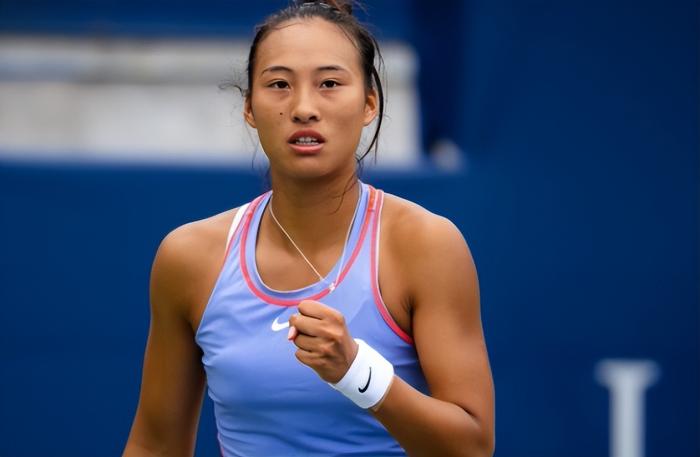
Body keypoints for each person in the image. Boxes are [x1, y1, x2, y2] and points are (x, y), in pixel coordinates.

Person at [123, 1, 494, 456]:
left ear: (369, 104)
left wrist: (357, 373)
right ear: (249, 108)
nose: (303, 108)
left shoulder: (427, 245)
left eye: (330, 84)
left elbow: (473, 447)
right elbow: (154, 446)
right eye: (279, 84)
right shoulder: (188, 257)